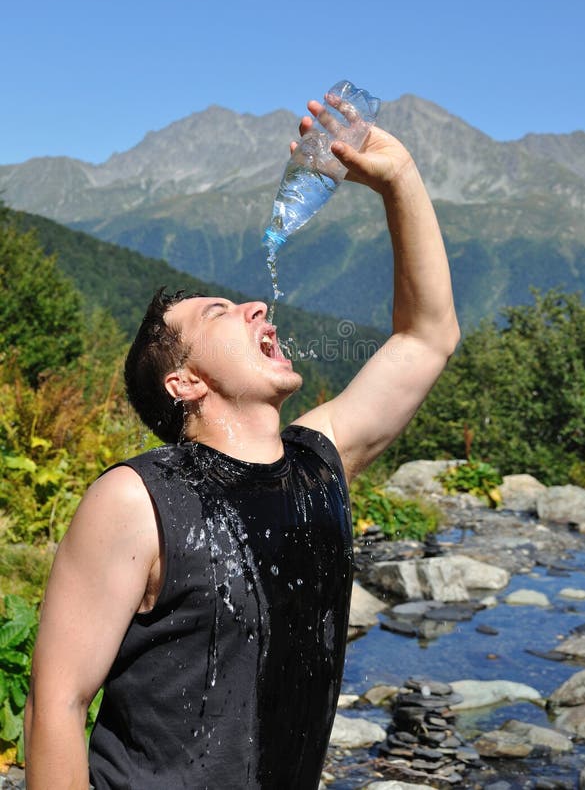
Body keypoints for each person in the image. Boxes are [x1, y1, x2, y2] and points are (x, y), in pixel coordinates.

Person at [24, 97, 460, 789]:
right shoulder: (137, 498)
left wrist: (398, 174)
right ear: (185, 381)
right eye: (221, 312)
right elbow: (57, 701)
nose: (257, 306)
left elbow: (427, 336)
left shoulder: (321, 461)